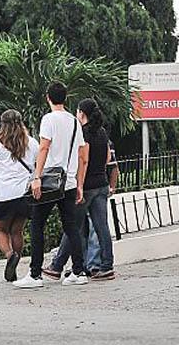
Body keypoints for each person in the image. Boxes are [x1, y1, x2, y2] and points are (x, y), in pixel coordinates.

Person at [13, 81, 88, 289]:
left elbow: (44, 148)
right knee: (71, 227)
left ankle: (35, 274)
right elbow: (83, 155)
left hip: (50, 183)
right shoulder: (74, 121)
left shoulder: (48, 119)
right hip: (69, 181)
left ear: (48, 97)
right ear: (65, 98)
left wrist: (36, 177)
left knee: (37, 225)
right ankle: (79, 271)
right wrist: (80, 184)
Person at [43, 99, 116, 280]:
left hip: (87, 185)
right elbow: (107, 158)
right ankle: (105, 265)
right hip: (102, 184)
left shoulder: (84, 134)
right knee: (101, 227)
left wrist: (79, 185)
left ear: (81, 113)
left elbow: (83, 159)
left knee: (72, 226)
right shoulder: (102, 133)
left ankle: (57, 265)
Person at [0, 109, 39, 282]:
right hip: (24, 195)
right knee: (17, 231)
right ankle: (15, 261)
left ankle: (10, 255)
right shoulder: (32, 143)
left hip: (3, 195)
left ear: (2, 124)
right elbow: (39, 165)